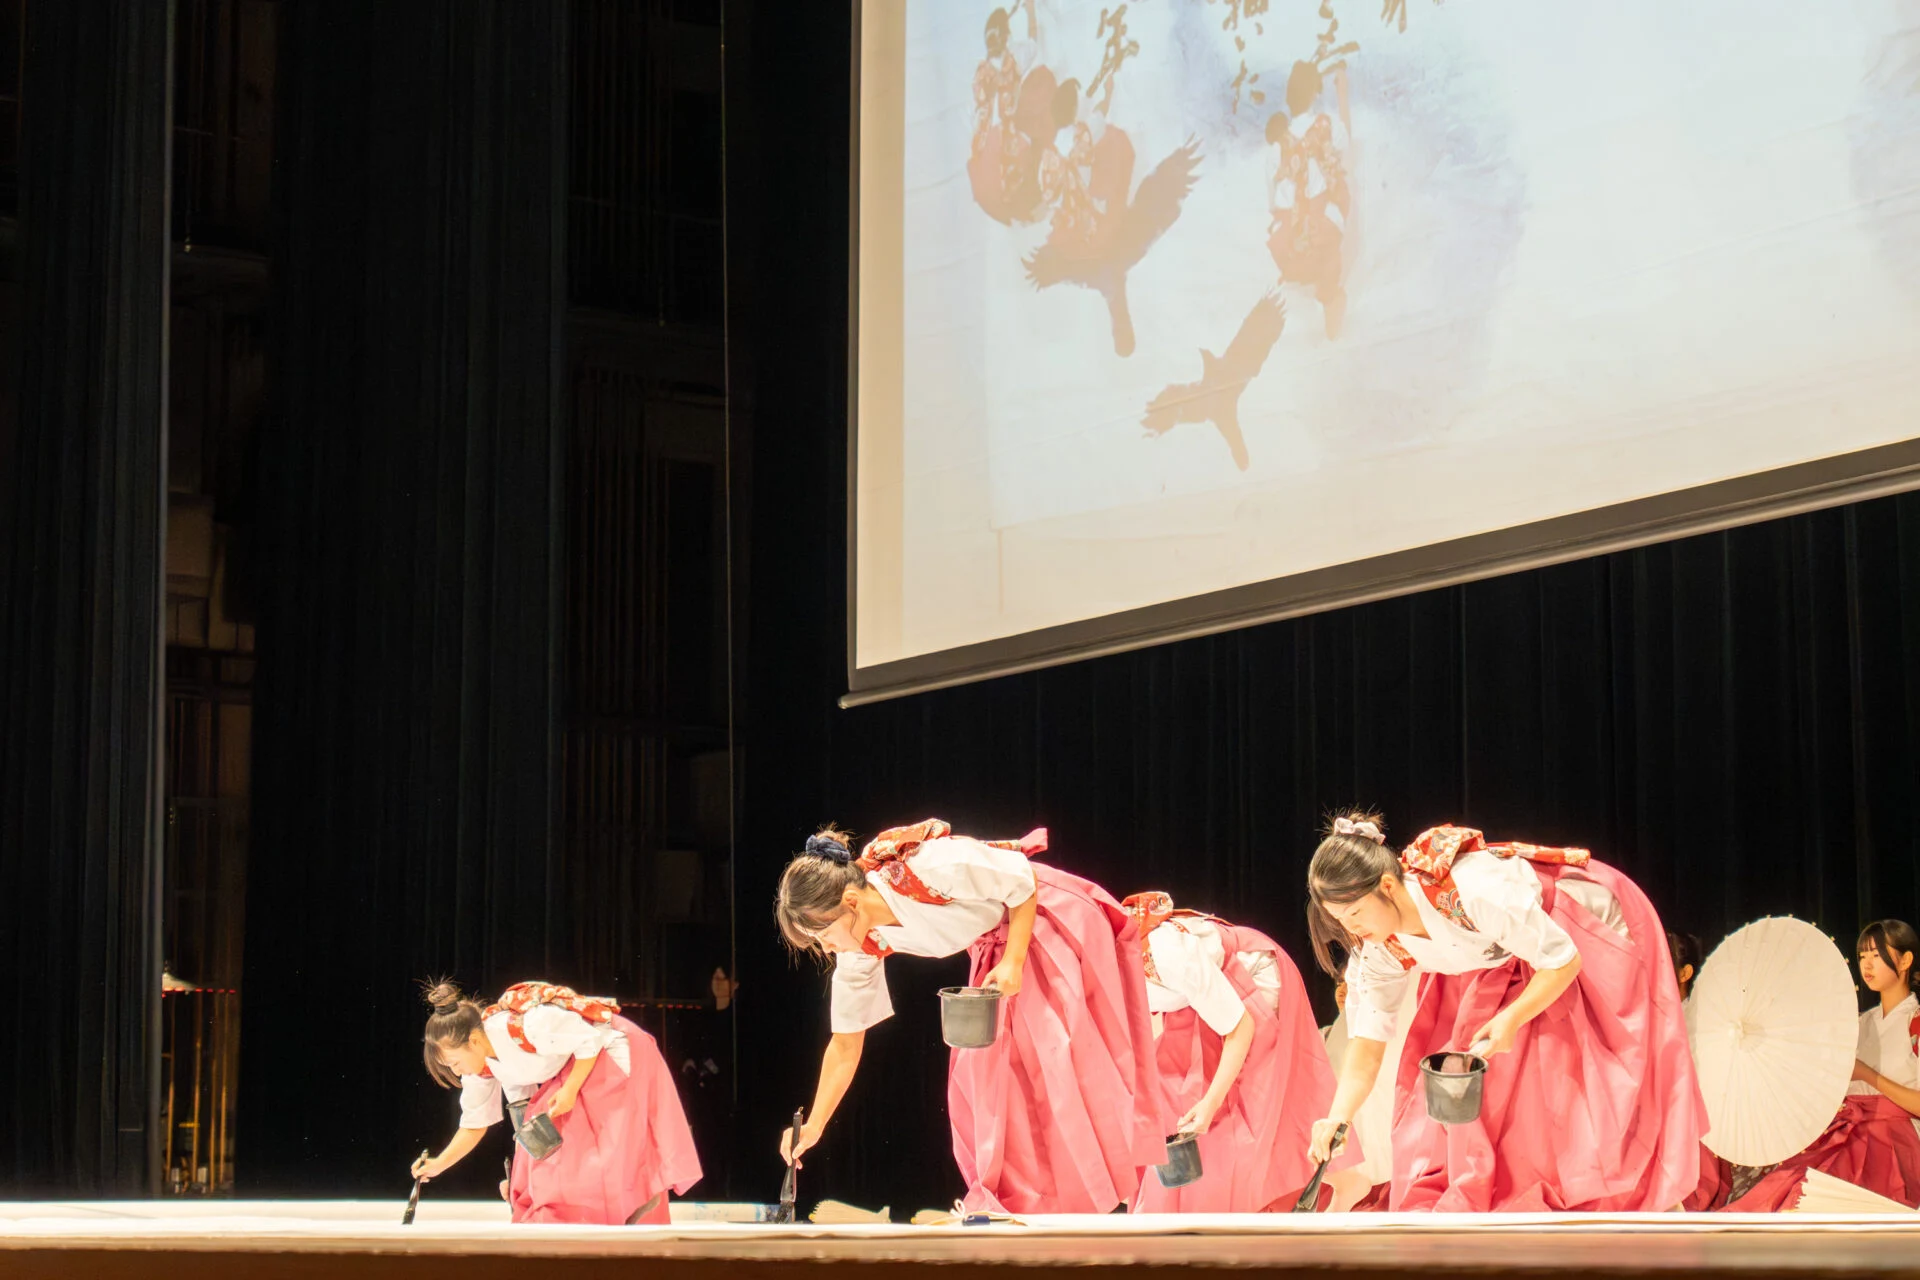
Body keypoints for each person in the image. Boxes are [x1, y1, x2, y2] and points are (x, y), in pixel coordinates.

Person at [1304, 812, 1707, 1211]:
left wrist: (1511, 1019)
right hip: (1505, 958)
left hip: (1578, 925)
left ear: (1388, 886)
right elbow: (1367, 1047)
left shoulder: (1474, 889)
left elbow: (1563, 960)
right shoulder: (1380, 950)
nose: (1352, 929)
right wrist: (1338, 1117)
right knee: (1487, 1086)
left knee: (1596, 1073)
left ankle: (1647, 1191)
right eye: (1340, 920)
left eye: (1355, 913)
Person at [774, 819, 1162, 1214]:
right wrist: (815, 1124)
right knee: (987, 1082)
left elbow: (1022, 881)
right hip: (997, 947)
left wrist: (1013, 961)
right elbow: (845, 1042)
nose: (826, 948)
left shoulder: (926, 866)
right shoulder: (861, 947)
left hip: (1045, 920)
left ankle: (1103, 1184)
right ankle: (1036, 1203)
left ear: (852, 902)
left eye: (823, 935)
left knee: (1060, 1060)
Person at [1122, 892, 1351, 1212]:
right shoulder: (1104, 970)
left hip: (1248, 981)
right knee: (1170, 1094)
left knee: (1241, 1112)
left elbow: (1241, 1028)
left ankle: (1336, 1180)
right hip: (1194, 1004)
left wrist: (1210, 1102)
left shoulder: (1166, 954)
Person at [412, 980, 701, 1224]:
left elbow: (588, 1040)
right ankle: (586, 1209)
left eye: (454, 1062)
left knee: (601, 1144)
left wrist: (570, 1091)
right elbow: (475, 1124)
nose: (457, 1071)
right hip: (576, 1067)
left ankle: (635, 1200)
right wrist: (438, 1165)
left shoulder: (524, 1023)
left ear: (474, 1041)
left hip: (611, 1049)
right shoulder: (482, 1068)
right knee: (543, 1151)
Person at [1723, 920, 1920, 1211]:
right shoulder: (1858, 1023)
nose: (1867, 964)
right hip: (1849, 1130)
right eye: (1862, 956)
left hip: (1894, 1138)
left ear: (1905, 960)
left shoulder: (1914, 1022)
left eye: (1877, 955)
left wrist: (1868, 1075)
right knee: (1792, 1191)